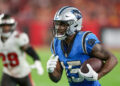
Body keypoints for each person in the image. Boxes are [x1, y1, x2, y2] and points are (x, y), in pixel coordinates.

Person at [47, 6, 118, 86]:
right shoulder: (55, 43)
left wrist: (98, 75)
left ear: (75, 24)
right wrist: (51, 71)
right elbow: (56, 79)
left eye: (63, 24)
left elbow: (113, 59)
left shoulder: (85, 40)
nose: (58, 28)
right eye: (57, 24)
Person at [0, 13, 44, 86]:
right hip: (8, 73)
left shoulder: (18, 37)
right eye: (4, 26)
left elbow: (29, 50)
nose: (6, 28)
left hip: (23, 72)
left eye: (8, 26)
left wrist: (37, 60)